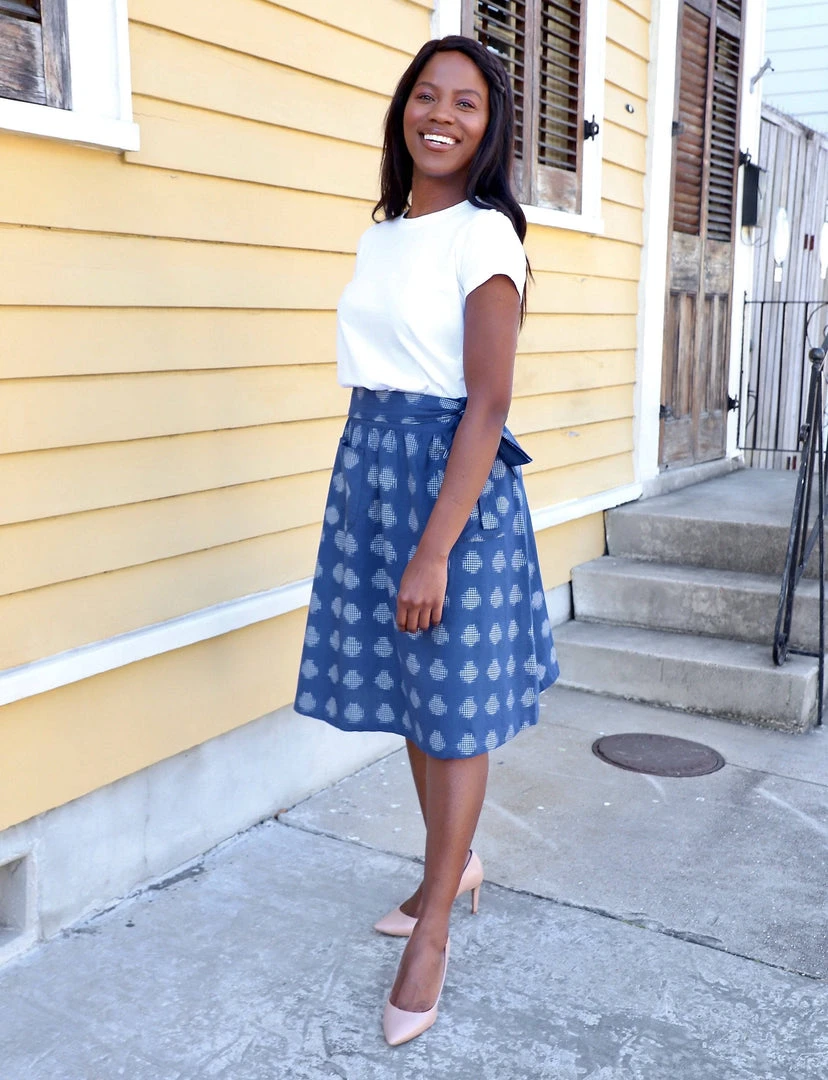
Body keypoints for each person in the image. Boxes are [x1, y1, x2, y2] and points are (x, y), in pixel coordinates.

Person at [294, 35, 559, 1046]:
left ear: (489, 131)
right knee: (417, 697)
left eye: (466, 103)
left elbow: (488, 404)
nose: (441, 115)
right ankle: (452, 866)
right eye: (427, 95)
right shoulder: (387, 235)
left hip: (452, 490)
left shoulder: (486, 238)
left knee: (451, 713)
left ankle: (436, 924)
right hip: (372, 470)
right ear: (403, 108)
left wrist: (435, 548)